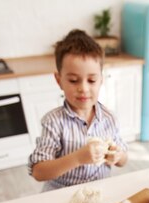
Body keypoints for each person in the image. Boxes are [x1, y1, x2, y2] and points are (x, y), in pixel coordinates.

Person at [28, 29, 128, 191]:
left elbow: (123, 160)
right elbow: (38, 171)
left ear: (101, 79)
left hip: (98, 191)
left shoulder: (109, 118)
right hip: (60, 194)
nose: (83, 88)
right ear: (59, 80)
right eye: (74, 80)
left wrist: (117, 156)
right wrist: (78, 158)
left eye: (91, 80)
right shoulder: (53, 121)